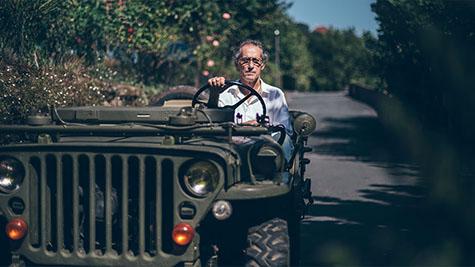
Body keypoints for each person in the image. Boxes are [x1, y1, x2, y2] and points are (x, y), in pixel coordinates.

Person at [208, 40, 294, 162]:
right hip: (233, 153)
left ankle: (280, 178)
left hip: (265, 154)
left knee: (284, 141)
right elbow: (215, 128)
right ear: (237, 64)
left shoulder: (275, 95)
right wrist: (214, 93)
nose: (250, 66)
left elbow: (285, 130)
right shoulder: (225, 94)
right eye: (245, 60)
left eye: (256, 61)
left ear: (262, 65)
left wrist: (263, 128)